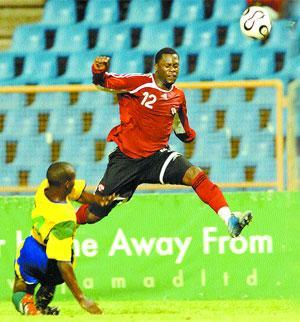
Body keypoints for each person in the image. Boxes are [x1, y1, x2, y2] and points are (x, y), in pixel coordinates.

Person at [76, 47, 252, 238]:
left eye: (176, 66)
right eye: (167, 65)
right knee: (94, 214)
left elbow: (181, 127)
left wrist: (188, 136)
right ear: (156, 67)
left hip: (157, 158)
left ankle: (229, 218)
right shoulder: (138, 83)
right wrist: (98, 70)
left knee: (195, 174)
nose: (172, 70)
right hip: (126, 160)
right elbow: (104, 82)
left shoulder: (178, 97)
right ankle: (64, 221)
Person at [12, 161, 115, 315]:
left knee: (21, 282)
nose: (75, 183)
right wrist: (82, 299)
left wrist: (97, 200)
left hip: (30, 248)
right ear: (67, 184)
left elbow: (77, 194)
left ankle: (27, 303)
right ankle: (39, 306)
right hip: (49, 260)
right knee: (55, 274)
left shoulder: (45, 187)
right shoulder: (65, 218)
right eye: (73, 181)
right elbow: (63, 264)